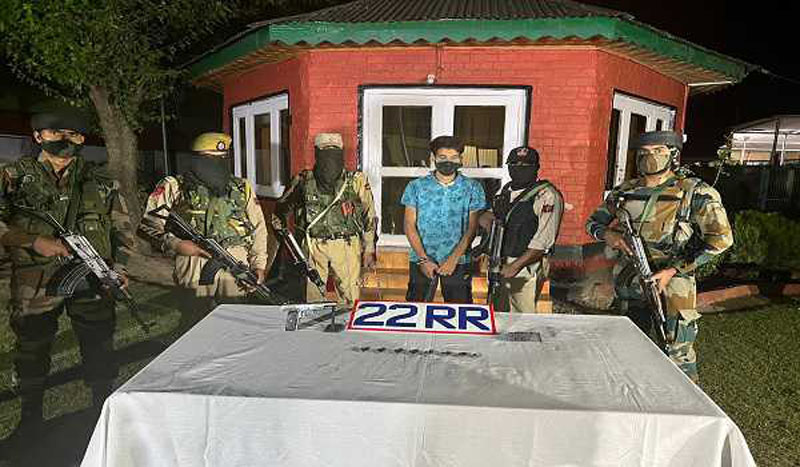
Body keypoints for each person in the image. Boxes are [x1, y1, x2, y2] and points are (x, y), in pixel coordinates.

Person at [0, 110, 136, 433]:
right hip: (35, 281)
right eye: (55, 132)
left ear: (82, 138)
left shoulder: (102, 181)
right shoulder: (12, 177)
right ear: (38, 136)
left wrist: (119, 268)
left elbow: (122, 230)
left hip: (91, 277)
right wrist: (34, 241)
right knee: (32, 347)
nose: (65, 139)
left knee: (99, 343)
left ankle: (100, 412)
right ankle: (31, 418)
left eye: (73, 134)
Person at [586, 130, 733, 382]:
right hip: (630, 281)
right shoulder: (624, 191)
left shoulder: (694, 192)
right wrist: (608, 235)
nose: (650, 157)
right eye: (643, 152)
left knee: (677, 355)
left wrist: (674, 270)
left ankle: (684, 403)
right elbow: (592, 223)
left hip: (673, 286)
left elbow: (721, 239)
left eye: (658, 151)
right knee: (629, 347)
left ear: (673, 155)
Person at [140, 132, 268, 312]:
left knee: (236, 317)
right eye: (209, 159)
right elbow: (148, 225)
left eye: (222, 158)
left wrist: (259, 265)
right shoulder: (174, 185)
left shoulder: (242, 187)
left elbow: (259, 228)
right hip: (194, 262)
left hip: (235, 262)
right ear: (195, 159)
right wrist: (176, 244)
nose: (217, 165)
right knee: (194, 317)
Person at [273, 133, 377, 305]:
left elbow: (369, 215)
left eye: (334, 151)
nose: (330, 159)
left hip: (346, 244)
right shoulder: (303, 180)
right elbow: (281, 210)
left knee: (350, 298)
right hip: (314, 245)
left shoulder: (356, 181)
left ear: (341, 153)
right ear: (317, 153)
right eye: (325, 152)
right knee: (313, 298)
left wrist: (369, 249)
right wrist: (291, 244)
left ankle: (347, 323)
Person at [402, 135, 487, 303]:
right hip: (422, 260)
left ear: (461, 159)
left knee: (459, 311)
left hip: (459, 261)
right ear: (433, 158)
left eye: (454, 157)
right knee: (417, 309)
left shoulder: (473, 188)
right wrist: (423, 259)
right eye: (442, 157)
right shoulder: (416, 187)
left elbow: (472, 228)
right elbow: (409, 225)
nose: (448, 162)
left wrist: (453, 260)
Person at [478, 146, 564, 312]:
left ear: (536, 168)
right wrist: (488, 221)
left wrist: (515, 266)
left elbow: (543, 240)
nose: (519, 169)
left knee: (523, 316)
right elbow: (491, 216)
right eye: (515, 165)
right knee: (498, 312)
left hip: (526, 265)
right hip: (500, 261)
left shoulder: (546, 195)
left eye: (526, 166)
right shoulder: (506, 190)